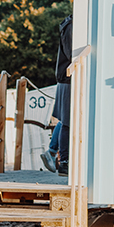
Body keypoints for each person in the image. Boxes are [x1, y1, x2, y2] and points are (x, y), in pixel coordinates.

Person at [41, 15, 73, 176]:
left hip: (67, 77)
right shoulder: (72, 25)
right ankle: (64, 162)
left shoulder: (70, 24)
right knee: (67, 121)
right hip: (69, 77)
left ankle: (52, 151)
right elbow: (71, 54)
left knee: (66, 119)